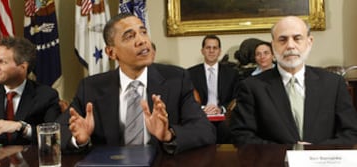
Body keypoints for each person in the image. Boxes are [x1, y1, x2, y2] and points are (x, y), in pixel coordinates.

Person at [57, 13, 216, 154]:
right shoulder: (91, 87)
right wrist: (79, 140)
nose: (142, 40)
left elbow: (205, 130)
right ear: (111, 52)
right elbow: (57, 132)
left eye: (143, 32)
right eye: (129, 36)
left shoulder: (177, 79)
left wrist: (169, 134)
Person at [230, 16, 357, 144]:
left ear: (309, 42)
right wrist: (290, 151)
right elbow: (242, 137)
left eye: (297, 38)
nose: (290, 46)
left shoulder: (333, 84)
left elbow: (351, 133)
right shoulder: (252, 87)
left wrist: (314, 152)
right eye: (282, 40)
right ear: (273, 45)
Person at [187, 35, 239, 143]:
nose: (211, 51)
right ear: (202, 51)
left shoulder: (231, 73)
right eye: (208, 48)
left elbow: (236, 97)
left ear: (219, 51)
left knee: (226, 129)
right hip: (200, 115)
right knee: (200, 129)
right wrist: (201, 109)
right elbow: (187, 98)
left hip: (224, 116)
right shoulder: (190, 73)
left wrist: (221, 109)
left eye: (215, 48)